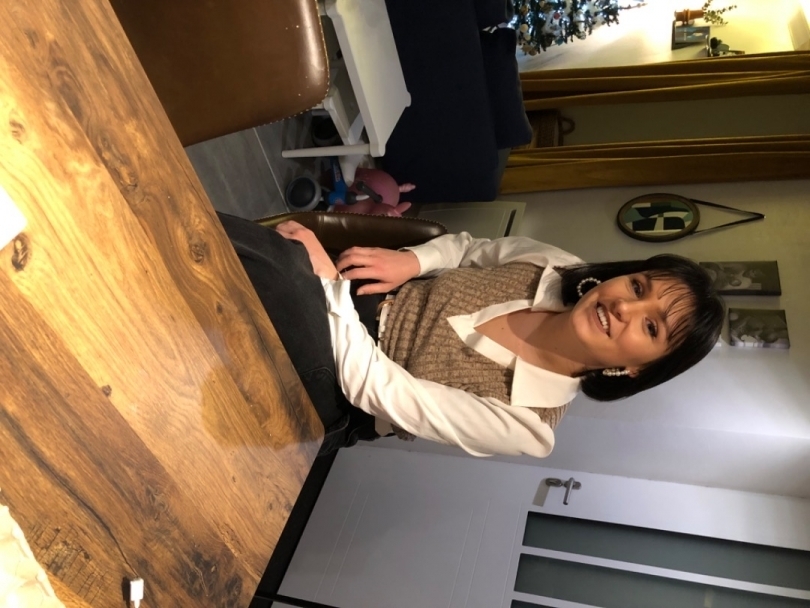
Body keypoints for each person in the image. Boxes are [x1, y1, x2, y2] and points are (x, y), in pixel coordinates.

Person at [218, 213, 724, 458]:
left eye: (651, 326)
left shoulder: (530, 427)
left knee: (276, 268)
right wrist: (412, 261)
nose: (624, 306)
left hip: (341, 392)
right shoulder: (557, 267)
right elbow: (469, 248)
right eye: (637, 286)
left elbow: (373, 387)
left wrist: (324, 283)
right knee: (260, 267)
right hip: (355, 301)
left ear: (637, 369)